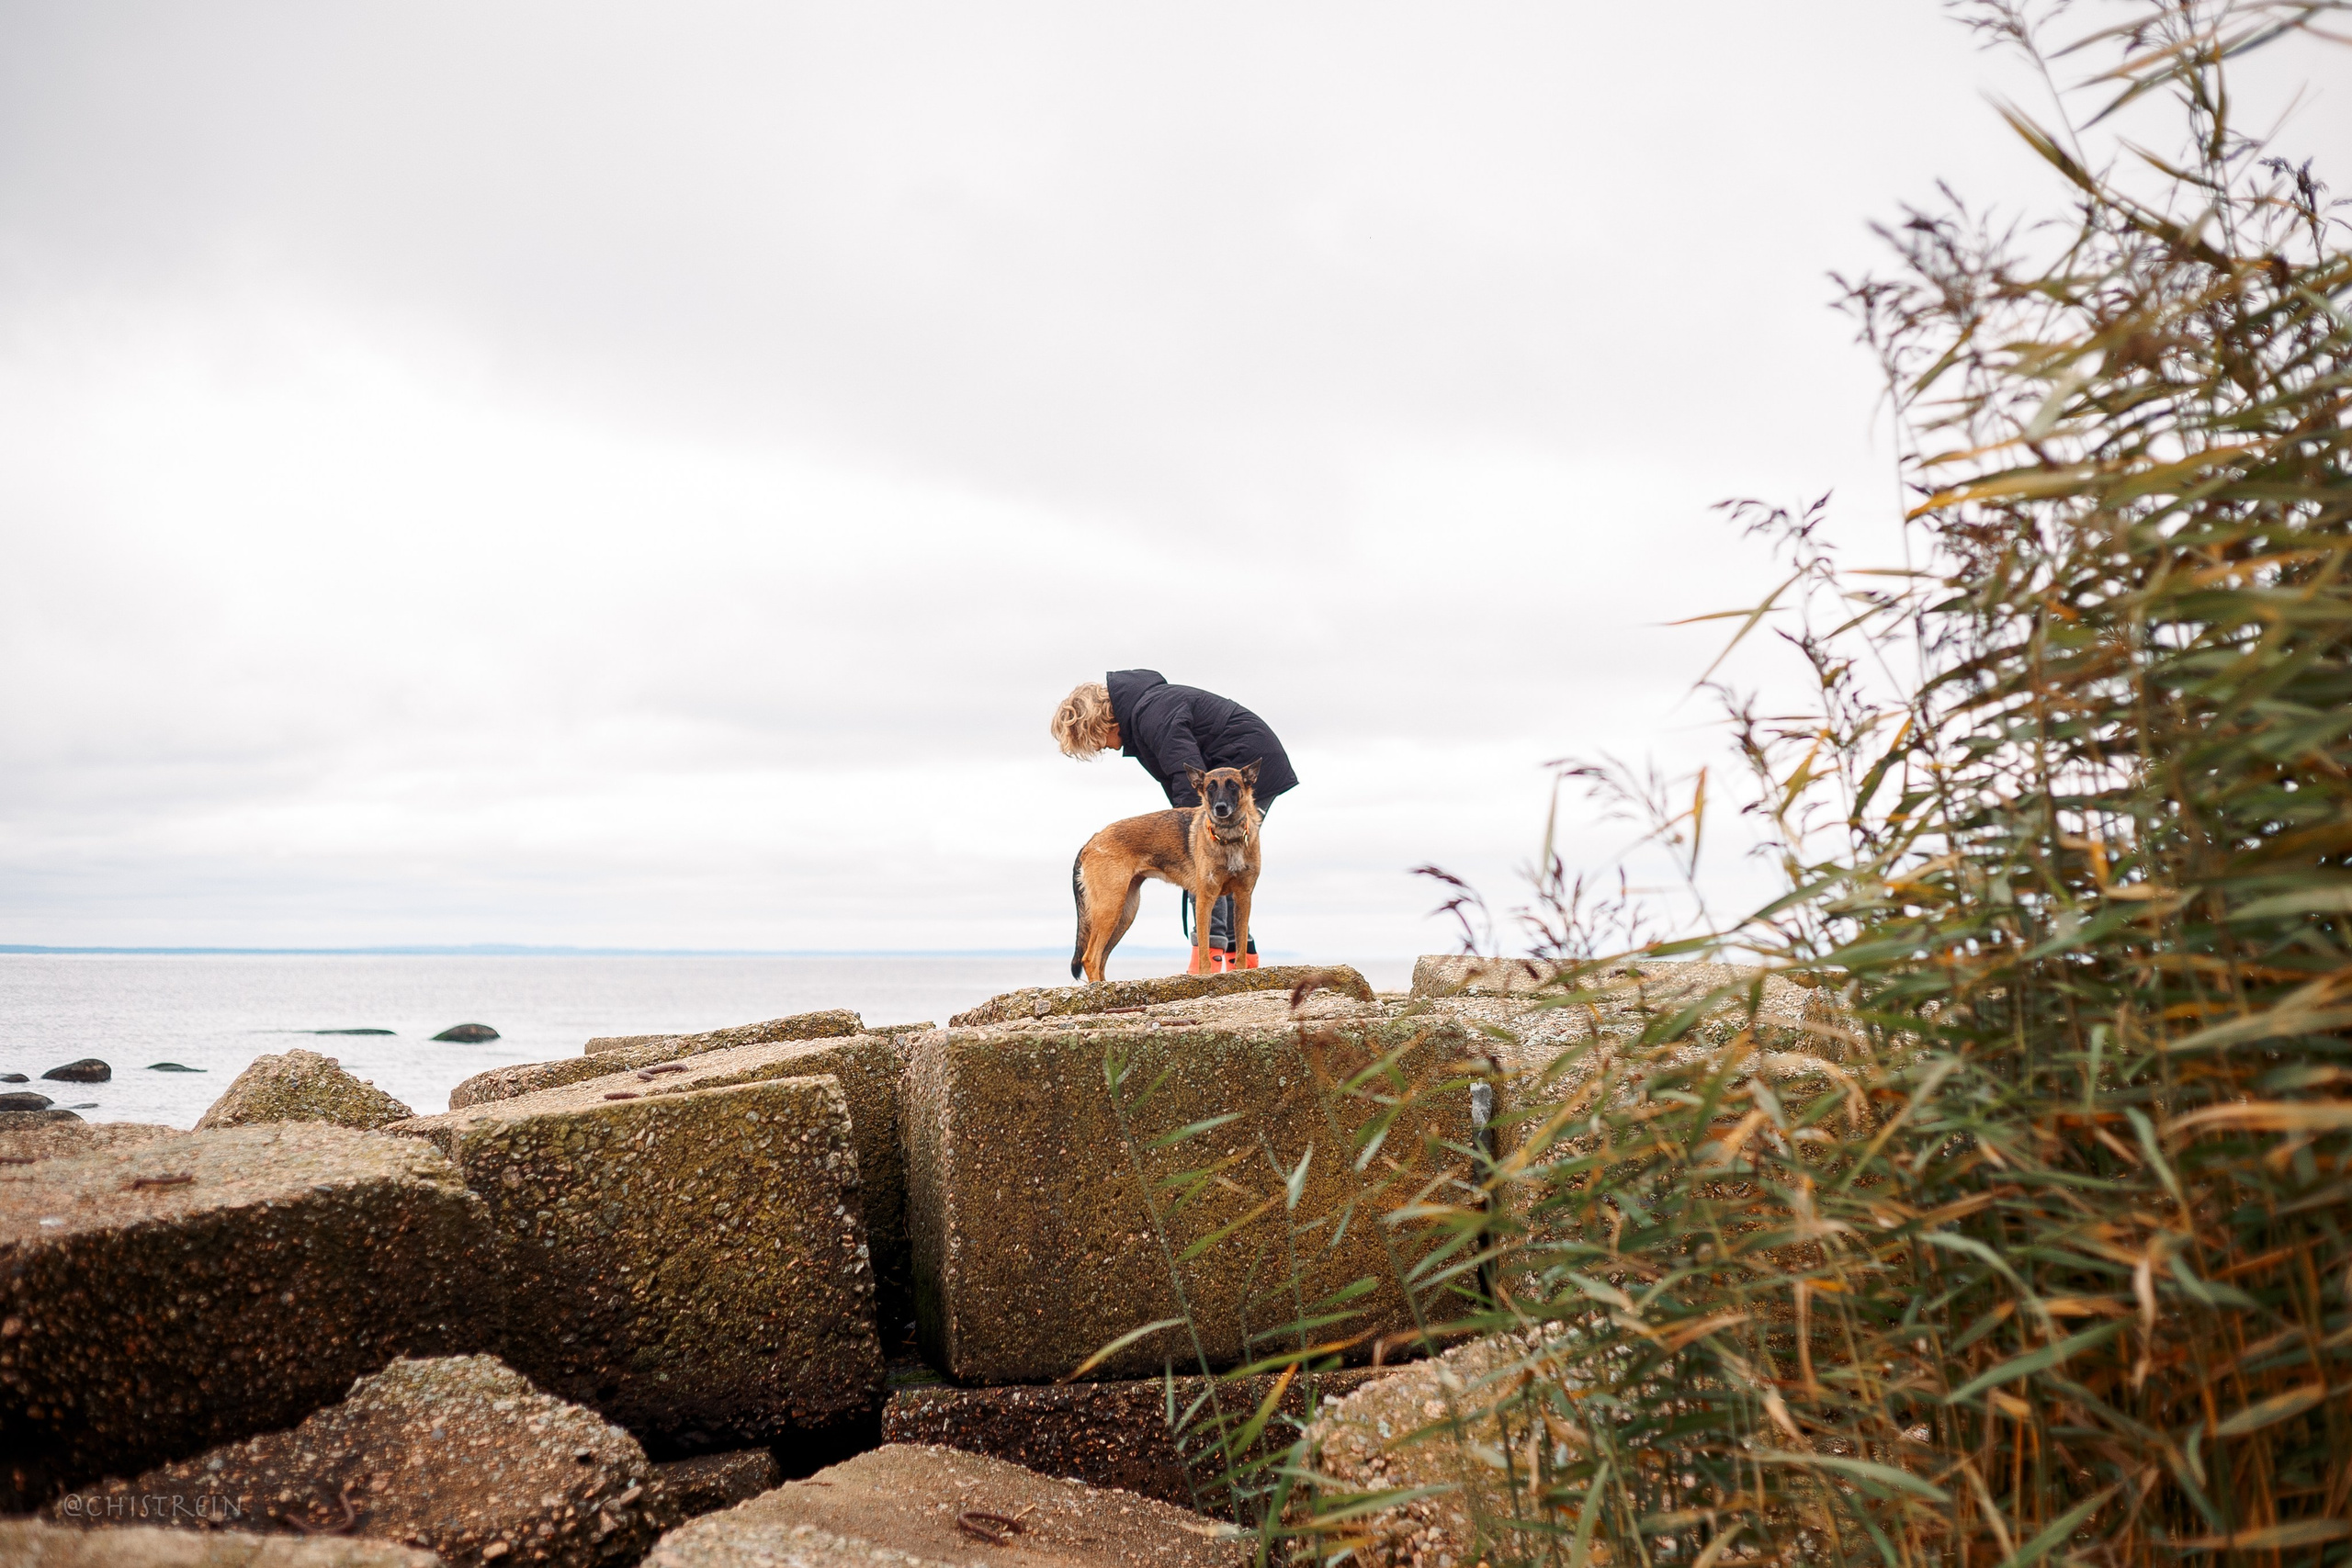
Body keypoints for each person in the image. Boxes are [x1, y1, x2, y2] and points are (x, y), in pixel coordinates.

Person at [1050, 670, 1298, 969]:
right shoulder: (1146, 712)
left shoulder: (1152, 712)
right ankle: (1236, 962)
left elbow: (1186, 774)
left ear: (1102, 723)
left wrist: (1189, 843)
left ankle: (1210, 965)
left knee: (1212, 865)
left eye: (1094, 740)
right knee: (1221, 866)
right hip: (1237, 765)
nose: (1101, 747)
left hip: (1245, 769)